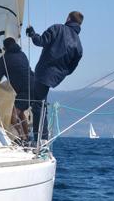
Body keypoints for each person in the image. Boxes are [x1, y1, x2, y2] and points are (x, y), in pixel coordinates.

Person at [26, 11, 83, 140]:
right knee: (41, 104)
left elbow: (40, 41)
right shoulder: (78, 45)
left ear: (68, 18)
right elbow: (71, 68)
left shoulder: (57, 28)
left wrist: (32, 33)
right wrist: (60, 73)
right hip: (55, 78)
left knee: (37, 106)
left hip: (43, 73)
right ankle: (42, 138)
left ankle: (41, 139)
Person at [0, 37, 35, 140]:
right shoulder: (22, 54)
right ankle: (27, 137)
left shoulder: (5, 58)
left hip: (24, 90)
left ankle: (21, 138)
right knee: (20, 113)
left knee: (12, 114)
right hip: (34, 85)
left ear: (5, 47)